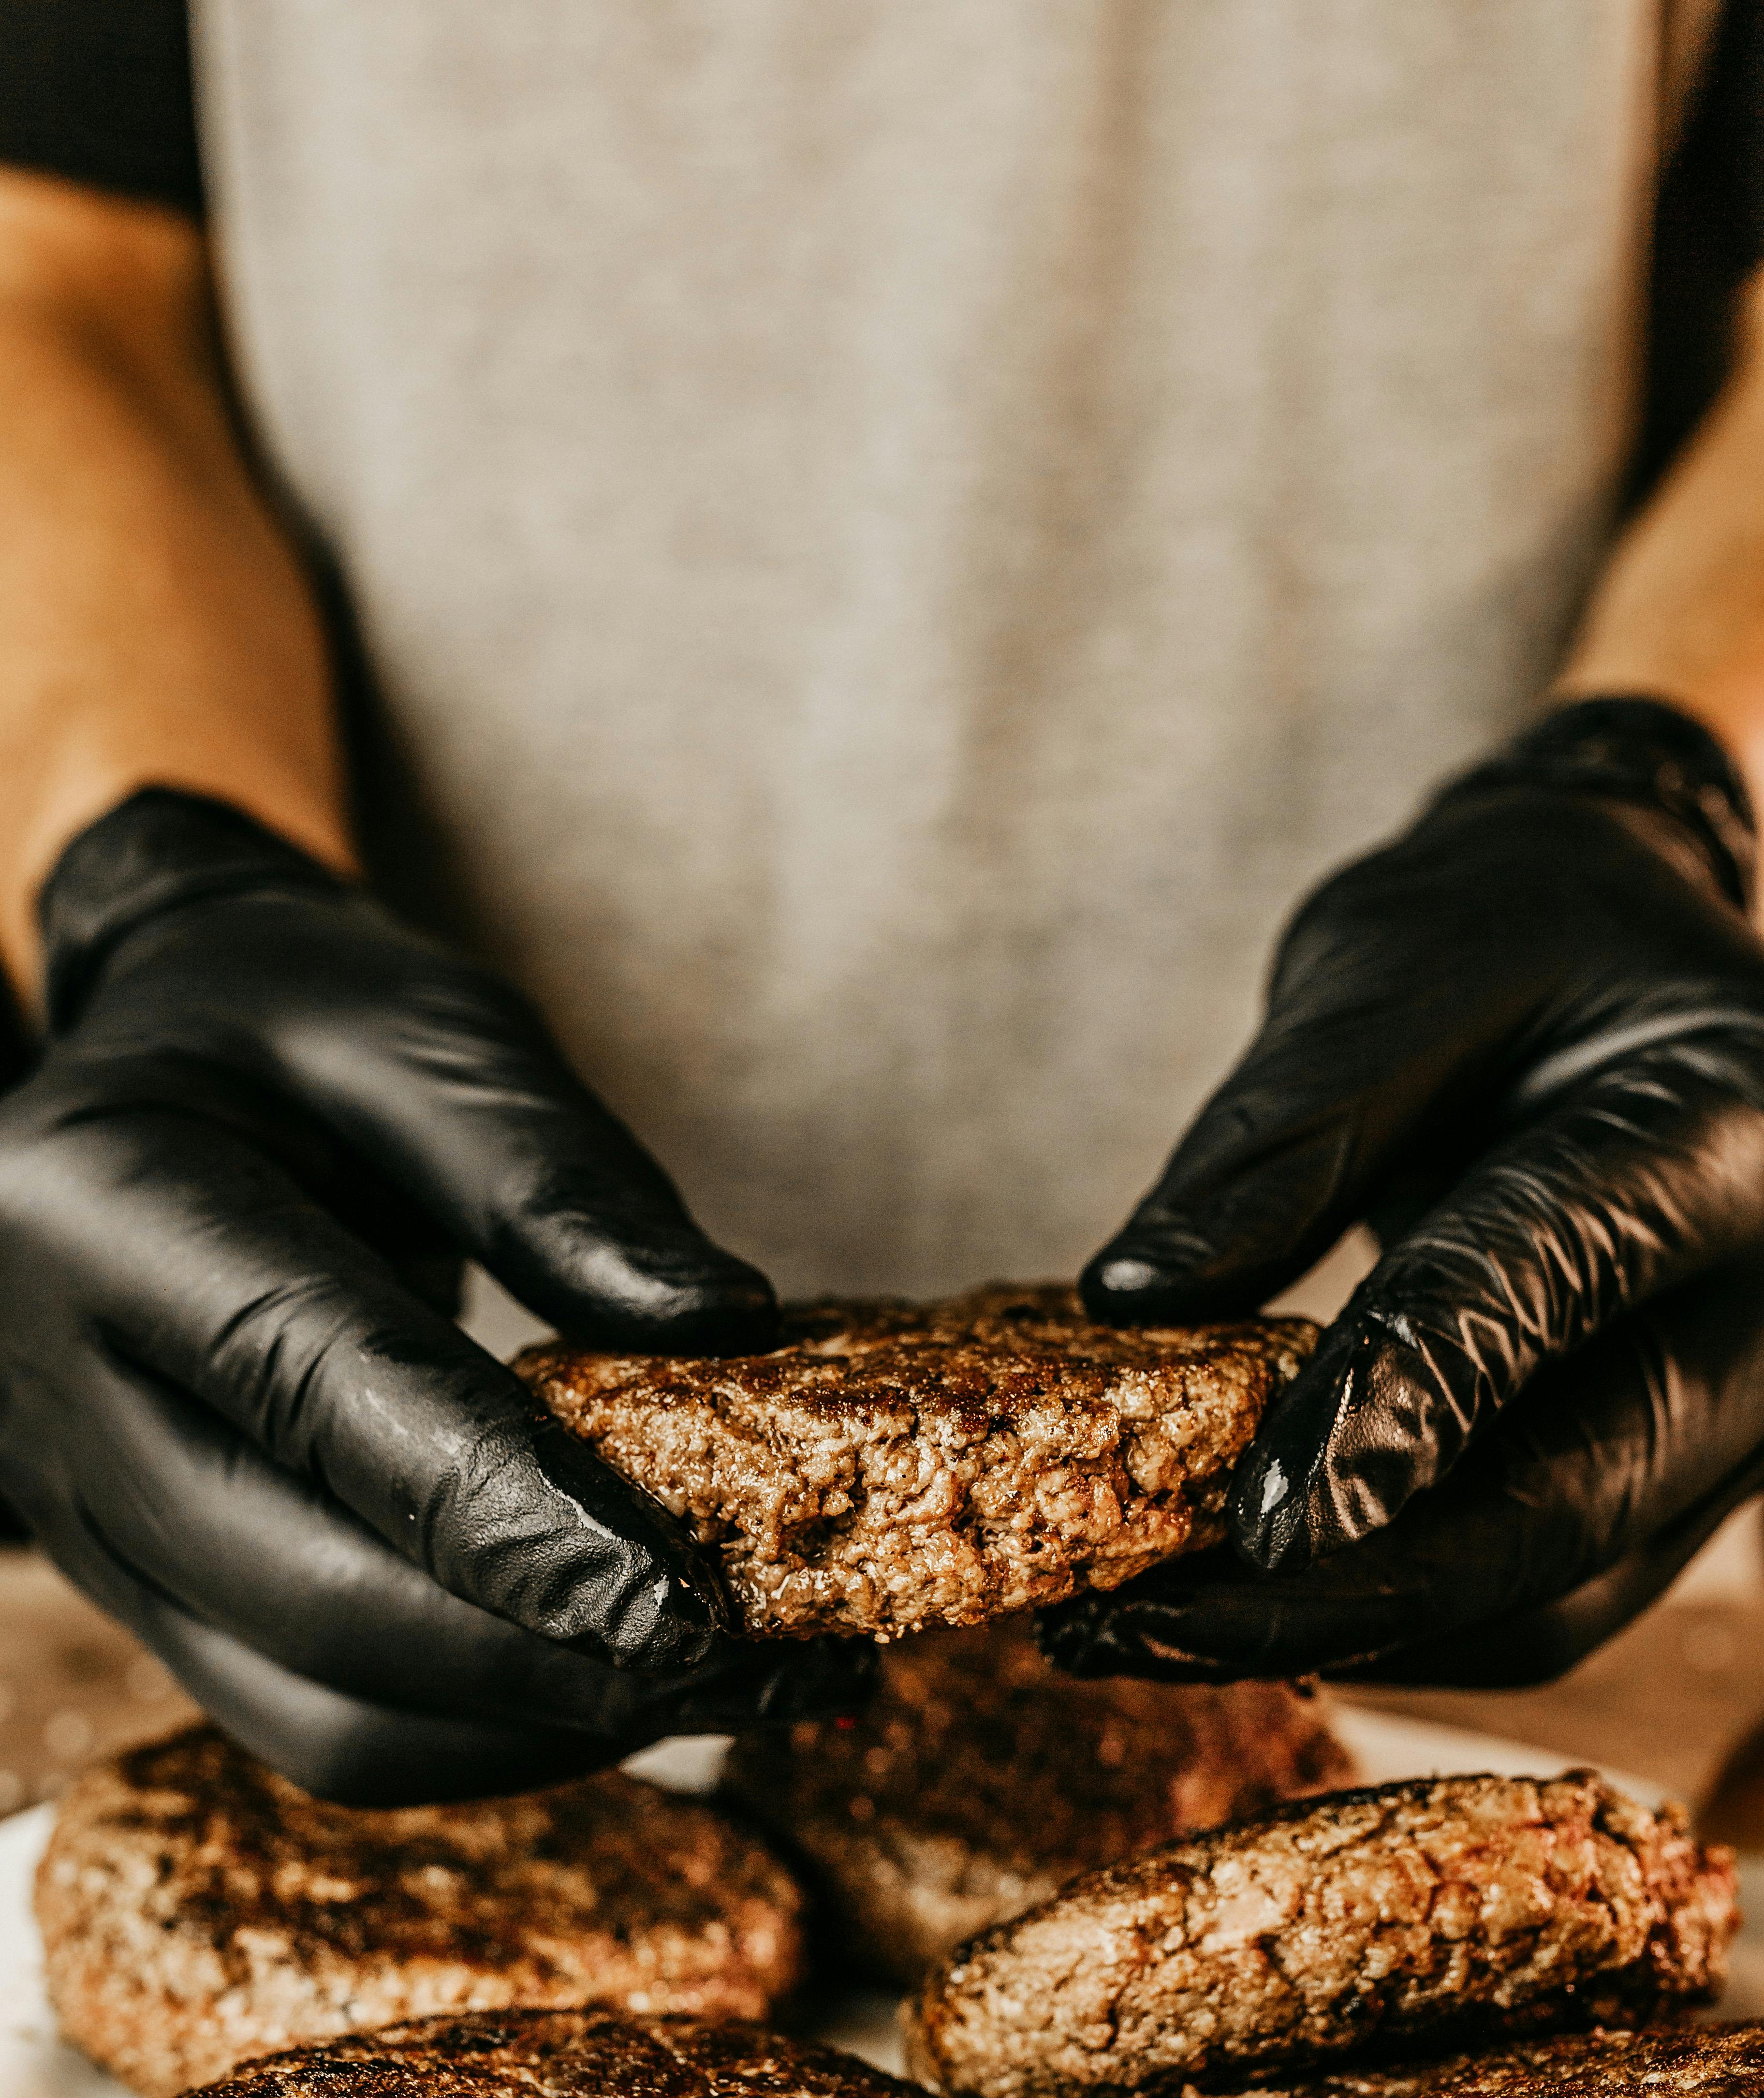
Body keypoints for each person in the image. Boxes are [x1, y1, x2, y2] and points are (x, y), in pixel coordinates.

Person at [1, 1, 1763, 1802]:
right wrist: (150, 877)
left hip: (1504, 1393)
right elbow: (55, 284)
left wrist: (1685, 798)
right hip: (400, 1402)